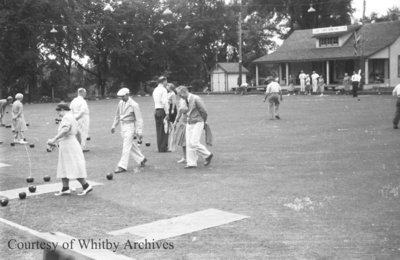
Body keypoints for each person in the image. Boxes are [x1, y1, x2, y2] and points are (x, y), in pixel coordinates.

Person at [47, 103, 92, 196]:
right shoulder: (72, 116)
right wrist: (79, 145)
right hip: (69, 144)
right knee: (64, 166)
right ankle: (65, 188)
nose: (58, 114)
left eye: (58, 112)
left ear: (63, 110)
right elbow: (78, 133)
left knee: (73, 166)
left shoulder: (67, 117)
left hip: (69, 145)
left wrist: (54, 139)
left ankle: (86, 186)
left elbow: (65, 130)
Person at [176, 86, 213, 169]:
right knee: (189, 143)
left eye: (180, 94)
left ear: (185, 92)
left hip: (198, 122)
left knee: (194, 142)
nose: (179, 96)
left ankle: (208, 155)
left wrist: (203, 121)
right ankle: (191, 163)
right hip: (189, 122)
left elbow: (204, 111)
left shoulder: (196, 98)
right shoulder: (184, 100)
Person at [111, 88, 147, 173]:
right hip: (122, 126)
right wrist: (114, 125)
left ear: (127, 94)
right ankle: (141, 159)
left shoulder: (134, 104)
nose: (121, 98)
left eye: (123, 96)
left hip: (130, 127)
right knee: (131, 145)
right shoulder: (120, 103)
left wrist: (139, 131)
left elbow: (139, 119)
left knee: (126, 146)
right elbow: (117, 115)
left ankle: (122, 166)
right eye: (120, 97)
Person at [70, 88, 90, 152]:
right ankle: (81, 147)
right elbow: (82, 111)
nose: (85, 94)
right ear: (82, 93)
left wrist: (74, 118)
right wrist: (78, 117)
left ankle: (77, 146)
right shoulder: (82, 101)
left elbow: (70, 109)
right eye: (85, 93)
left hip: (74, 117)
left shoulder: (74, 100)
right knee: (83, 132)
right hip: (82, 118)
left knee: (77, 132)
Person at [152, 76, 169, 152]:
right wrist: (167, 112)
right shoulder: (163, 90)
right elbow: (164, 102)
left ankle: (160, 146)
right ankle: (163, 147)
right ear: (163, 81)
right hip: (162, 110)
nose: (167, 83)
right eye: (166, 81)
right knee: (164, 129)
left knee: (159, 129)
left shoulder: (155, 89)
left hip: (156, 110)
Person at [173, 88, 189, 164]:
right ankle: (185, 157)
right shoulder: (181, 100)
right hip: (183, 123)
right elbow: (179, 112)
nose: (178, 95)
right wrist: (176, 121)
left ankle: (192, 157)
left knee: (190, 142)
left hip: (190, 123)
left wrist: (185, 110)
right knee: (183, 142)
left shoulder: (189, 99)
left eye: (179, 93)